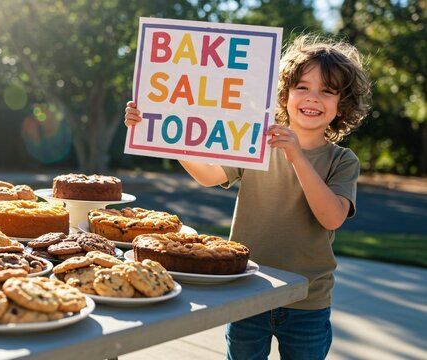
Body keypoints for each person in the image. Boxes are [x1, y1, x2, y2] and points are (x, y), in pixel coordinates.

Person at [124, 33, 371, 360]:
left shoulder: (342, 161)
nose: (312, 98)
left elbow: (332, 217)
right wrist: (155, 133)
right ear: (285, 94)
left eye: (327, 91)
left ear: (343, 104)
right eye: (302, 87)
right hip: (248, 291)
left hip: (307, 301)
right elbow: (209, 175)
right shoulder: (256, 142)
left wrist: (296, 156)